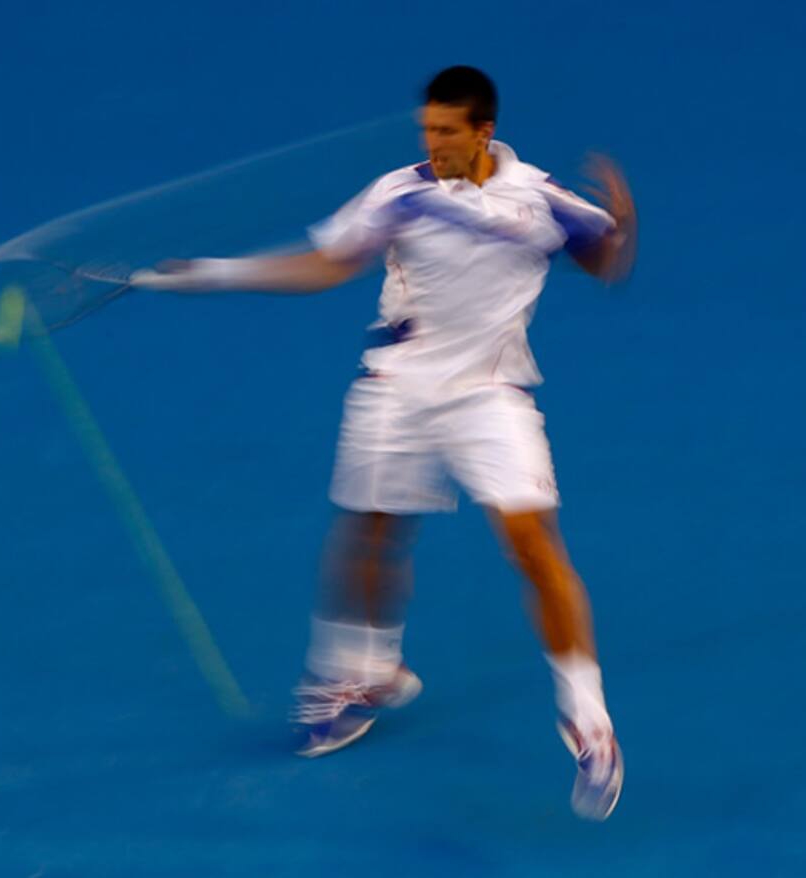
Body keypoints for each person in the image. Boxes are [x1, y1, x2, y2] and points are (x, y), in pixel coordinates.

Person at [131, 65, 637, 821]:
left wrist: (621, 223)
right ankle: (358, 675)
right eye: (425, 130)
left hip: (489, 396)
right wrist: (211, 274)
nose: (431, 144)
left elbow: (602, 259)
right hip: (395, 385)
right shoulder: (399, 192)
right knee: (368, 534)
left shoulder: (541, 200)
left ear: (483, 132)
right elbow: (328, 265)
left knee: (532, 543)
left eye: (446, 132)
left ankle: (589, 721)